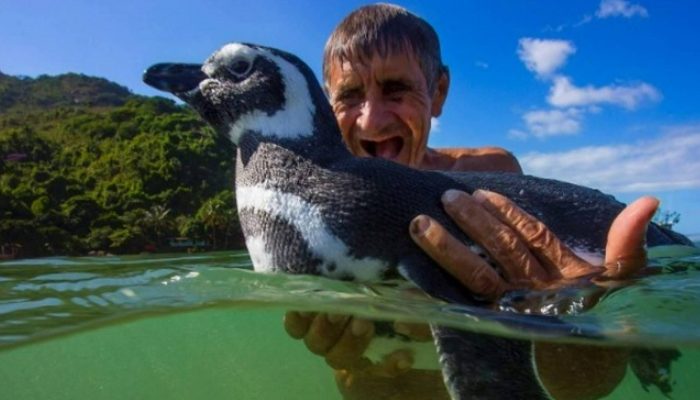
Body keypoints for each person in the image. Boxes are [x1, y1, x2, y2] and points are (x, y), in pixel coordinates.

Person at [284, 4, 657, 399]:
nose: (371, 121)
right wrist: (350, 356)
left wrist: (567, 306)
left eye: (396, 89)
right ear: (328, 106)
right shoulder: (316, 211)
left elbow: (576, 373)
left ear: (438, 92)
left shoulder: (491, 173)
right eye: (350, 95)